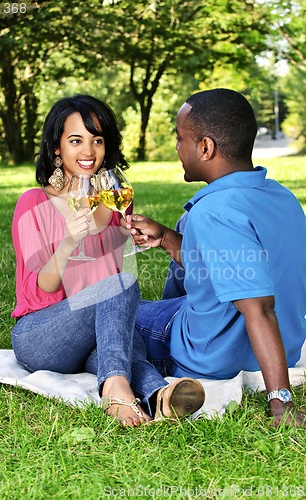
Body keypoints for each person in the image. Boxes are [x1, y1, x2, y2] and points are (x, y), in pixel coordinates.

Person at [10, 94, 206, 427]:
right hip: (41, 335)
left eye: (96, 140)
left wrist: (131, 240)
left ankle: (159, 398)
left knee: (117, 328)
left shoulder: (116, 205)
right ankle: (116, 387)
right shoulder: (33, 203)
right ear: (57, 148)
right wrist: (69, 242)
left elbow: (115, 297)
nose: (88, 151)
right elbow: (39, 290)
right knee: (120, 288)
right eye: (76, 140)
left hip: (94, 332)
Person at [125, 88, 306, 427]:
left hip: (212, 355)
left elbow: (259, 306)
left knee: (110, 317)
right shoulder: (280, 196)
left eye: (180, 139)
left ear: (205, 147)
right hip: (286, 345)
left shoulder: (214, 211)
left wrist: (281, 402)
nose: (177, 148)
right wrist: (165, 238)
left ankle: (152, 388)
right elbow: (232, 266)